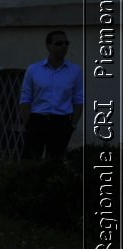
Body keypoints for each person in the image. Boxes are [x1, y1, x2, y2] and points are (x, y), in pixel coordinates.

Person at [19, 30, 83, 160]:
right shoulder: (34, 69)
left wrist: (72, 125)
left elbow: (78, 99)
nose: (63, 46)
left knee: (55, 163)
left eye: (66, 43)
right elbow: (25, 98)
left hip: (61, 122)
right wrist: (28, 123)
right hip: (38, 120)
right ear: (48, 46)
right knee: (30, 161)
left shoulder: (75, 71)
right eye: (59, 43)